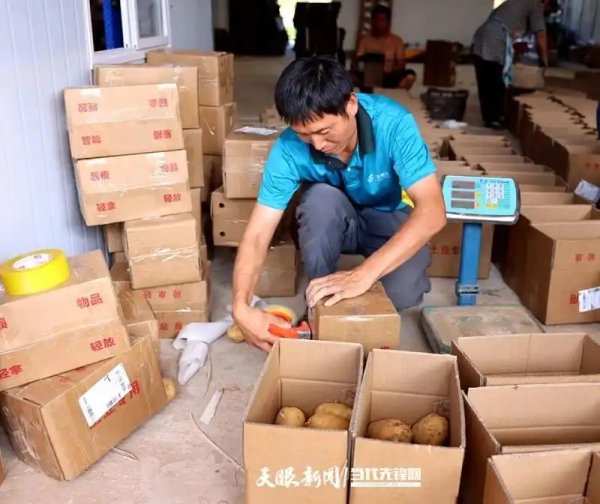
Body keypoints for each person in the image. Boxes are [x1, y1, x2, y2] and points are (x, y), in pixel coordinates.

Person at [231, 57, 446, 352]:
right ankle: (321, 303)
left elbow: (433, 212)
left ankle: (347, 294)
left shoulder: (393, 124)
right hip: (336, 217)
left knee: (404, 292)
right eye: (304, 134)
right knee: (320, 198)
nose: (318, 145)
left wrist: (363, 275)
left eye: (324, 131)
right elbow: (257, 234)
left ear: (351, 105)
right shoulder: (288, 149)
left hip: (388, 218)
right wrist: (240, 305)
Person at [472, 0, 550, 129]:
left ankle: (489, 118)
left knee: (484, 80)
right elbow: (540, 35)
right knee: (497, 80)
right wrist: (545, 60)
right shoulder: (535, 4)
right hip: (496, 39)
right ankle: (495, 118)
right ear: (546, 3)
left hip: (482, 35)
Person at [355, 5, 417, 90]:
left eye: (381, 20)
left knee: (410, 75)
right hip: (368, 77)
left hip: (389, 77)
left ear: (388, 21)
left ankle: (394, 95)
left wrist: (389, 68)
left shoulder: (397, 40)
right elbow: (357, 60)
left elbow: (401, 64)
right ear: (371, 21)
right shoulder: (364, 39)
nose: (378, 23)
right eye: (375, 20)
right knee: (349, 76)